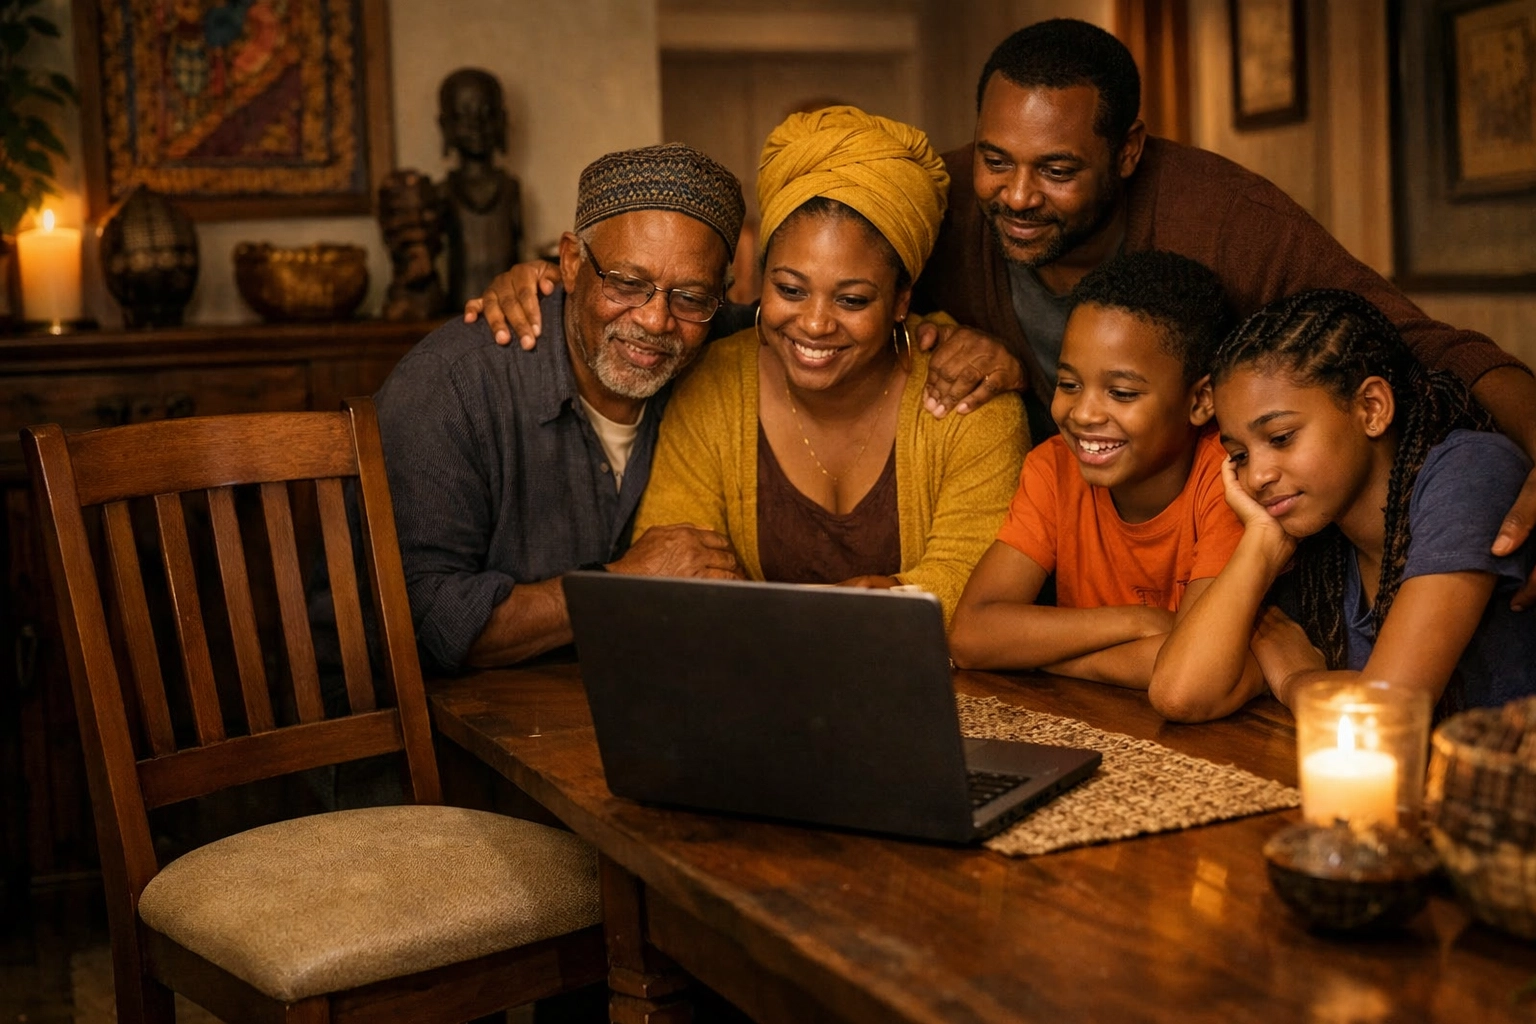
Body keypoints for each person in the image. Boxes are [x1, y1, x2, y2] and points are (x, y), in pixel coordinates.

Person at [464, 19, 1536, 607]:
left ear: (1127, 151)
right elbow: (803, 266)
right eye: (996, 160)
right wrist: (555, 278)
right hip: (1060, 573)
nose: (1017, 196)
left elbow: (1425, 343)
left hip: (1225, 559)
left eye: (1058, 169)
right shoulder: (935, 200)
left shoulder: (1222, 214)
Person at [341, 143, 748, 676]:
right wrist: (622, 584)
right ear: (572, 263)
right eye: (627, 283)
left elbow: (805, 319)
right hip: (426, 718)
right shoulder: (453, 384)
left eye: (690, 297)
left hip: (605, 700)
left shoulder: (715, 343)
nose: (655, 320)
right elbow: (425, 621)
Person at [633, 106, 1026, 623]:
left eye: (852, 300)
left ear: (901, 299)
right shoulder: (713, 385)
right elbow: (672, 580)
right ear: (761, 278)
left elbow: (975, 597)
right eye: (790, 290)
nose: (815, 324)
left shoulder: (969, 398)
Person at [1153, 290, 1536, 722]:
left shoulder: (1469, 472)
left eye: (1281, 438)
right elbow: (1180, 693)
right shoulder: (1314, 535)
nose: (1256, 477)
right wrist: (1260, 544)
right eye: (1239, 455)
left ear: (1372, 408)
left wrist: (1296, 678)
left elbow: (1386, 714)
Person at [950, 251, 1258, 697]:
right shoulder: (1054, 468)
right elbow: (972, 636)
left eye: (1122, 392)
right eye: (1069, 384)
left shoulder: (1227, 482)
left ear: (1199, 401)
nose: (1083, 413)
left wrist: (1045, 657)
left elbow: (1192, 668)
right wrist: (1140, 621)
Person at [438, 67, 524, 308]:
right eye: (463, 116)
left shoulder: (511, 188)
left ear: (501, 120)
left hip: (509, 311)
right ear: (445, 125)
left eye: (486, 114)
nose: (476, 125)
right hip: (459, 310)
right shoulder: (443, 191)